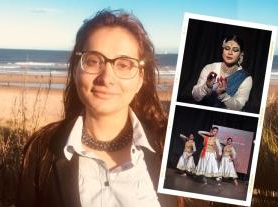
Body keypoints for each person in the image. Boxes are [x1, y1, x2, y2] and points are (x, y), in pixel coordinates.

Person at [16, 9, 178, 207]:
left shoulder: (169, 147)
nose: (107, 78)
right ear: (76, 69)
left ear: (140, 79)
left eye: (124, 65)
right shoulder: (42, 149)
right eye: (93, 61)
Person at [192, 34, 252, 111]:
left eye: (235, 50)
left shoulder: (245, 78)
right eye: (227, 48)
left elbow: (239, 106)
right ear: (223, 50)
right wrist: (206, 86)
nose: (230, 52)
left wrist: (223, 94)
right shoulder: (210, 68)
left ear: (241, 54)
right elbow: (196, 97)